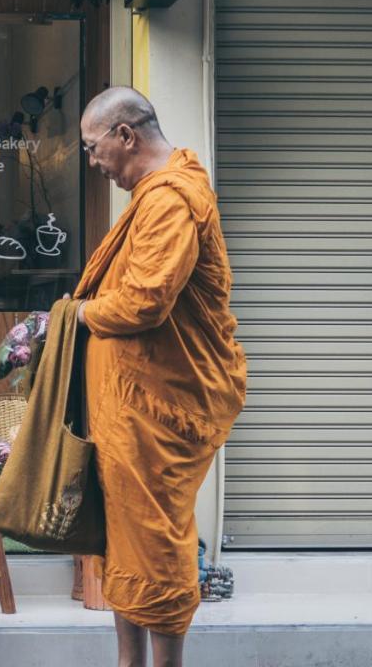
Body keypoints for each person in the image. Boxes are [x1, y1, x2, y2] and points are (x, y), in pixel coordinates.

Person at [72, 87, 247, 667]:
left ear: (126, 135)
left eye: (94, 149)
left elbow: (145, 302)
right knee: (128, 534)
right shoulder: (151, 196)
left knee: (157, 534)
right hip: (132, 406)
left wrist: (77, 314)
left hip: (165, 405)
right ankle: (131, 662)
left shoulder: (172, 199)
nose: (94, 164)